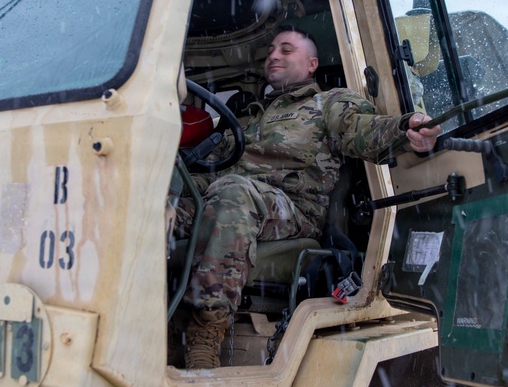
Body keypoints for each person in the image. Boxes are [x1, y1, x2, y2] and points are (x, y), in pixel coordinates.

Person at [177, 27, 441, 368]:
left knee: (233, 194)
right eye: (271, 50)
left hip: (291, 208)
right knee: (156, 192)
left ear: (312, 63)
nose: (273, 55)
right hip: (228, 194)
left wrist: (405, 130)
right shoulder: (249, 115)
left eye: (286, 50)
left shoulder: (327, 104)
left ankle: (205, 332)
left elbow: (360, 129)